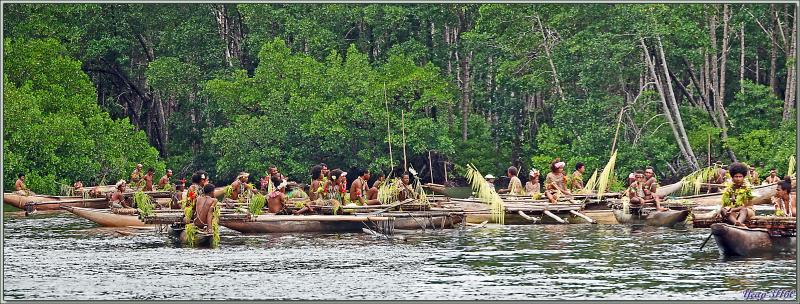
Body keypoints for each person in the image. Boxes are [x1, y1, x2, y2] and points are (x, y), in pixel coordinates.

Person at [719, 162, 755, 227]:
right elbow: (725, 205)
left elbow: (745, 206)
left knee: (743, 210)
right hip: (733, 212)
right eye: (736, 176)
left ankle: (739, 222)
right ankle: (737, 223)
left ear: (743, 177)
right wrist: (722, 211)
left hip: (746, 211)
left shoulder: (747, 189)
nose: (738, 179)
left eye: (740, 176)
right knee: (723, 210)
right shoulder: (728, 189)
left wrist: (733, 209)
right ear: (732, 177)